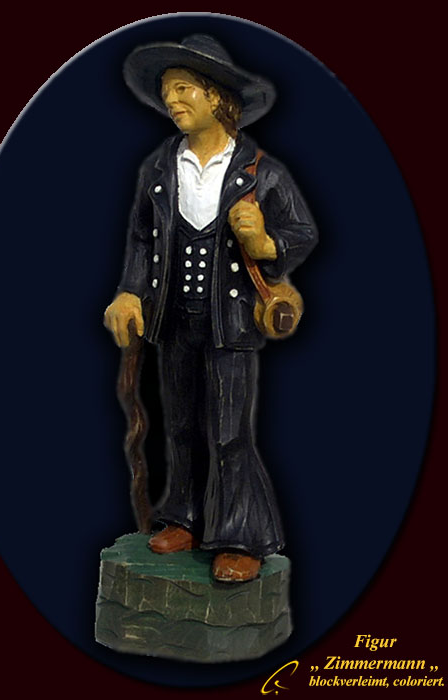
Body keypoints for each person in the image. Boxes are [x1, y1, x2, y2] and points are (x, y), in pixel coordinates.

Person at [104, 34, 317, 582]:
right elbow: (142, 239)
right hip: (173, 317)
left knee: (228, 430)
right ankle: (186, 516)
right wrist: (130, 291)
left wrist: (265, 243)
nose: (171, 99)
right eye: (166, 91)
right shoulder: (159, 167)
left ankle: (240, 535)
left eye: (182, 88)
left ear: (217, 97)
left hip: (232, 320)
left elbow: (302, 232)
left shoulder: (263, 172)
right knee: (179, 424)